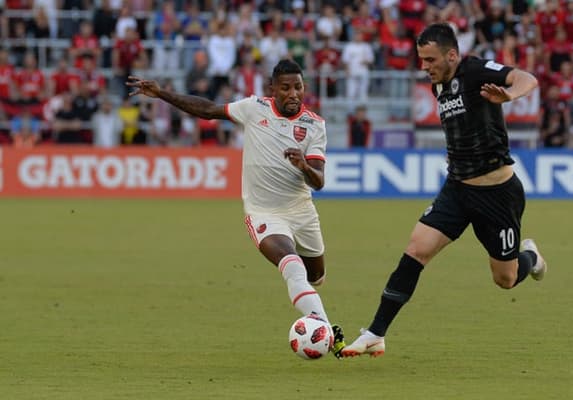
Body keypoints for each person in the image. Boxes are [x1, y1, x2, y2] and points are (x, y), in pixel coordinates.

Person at [342, 23, 547, 358]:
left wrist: (510, 95)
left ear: (452, 55)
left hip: (497, 195)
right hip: (457, 190)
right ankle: (375, 333)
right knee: (416, 249)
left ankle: (532, 257)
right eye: (421, 59)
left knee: (505, 279)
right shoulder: (438, 84)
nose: (425, 66)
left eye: (430, 59)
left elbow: (527, 78)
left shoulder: (476, 70)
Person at [126, 59, 345, 358]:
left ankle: (318, 317)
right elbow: (207, 110)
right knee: (292, 266)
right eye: (286, 88)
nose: (293, 93)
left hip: (301, 211)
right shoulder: (254, 108)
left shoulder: (314, 125)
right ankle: (327, 332)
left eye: (298, 87)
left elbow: (318, 181)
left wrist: (303, 165)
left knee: (316, 276)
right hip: (264, 213)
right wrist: (162, 93)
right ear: (273, 90)